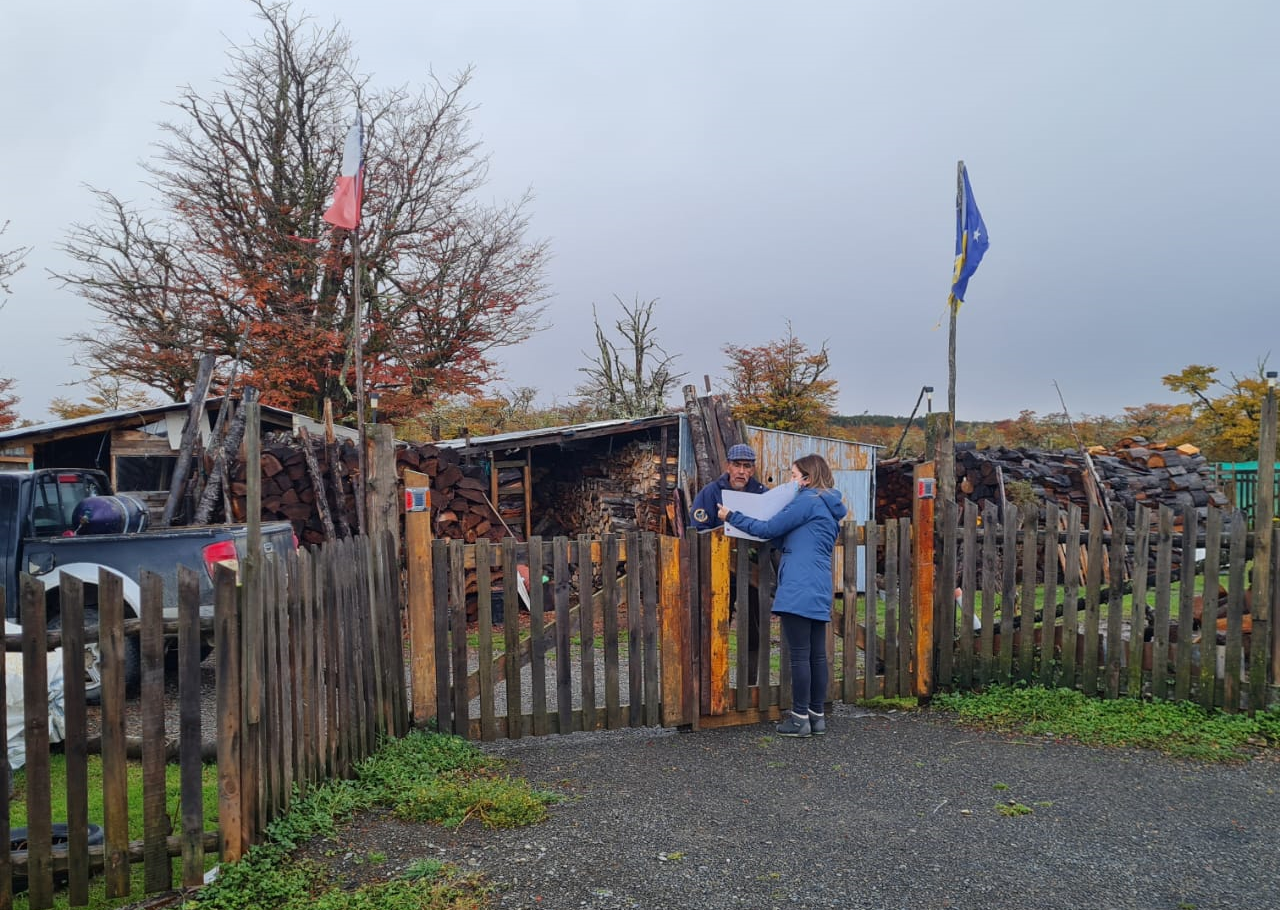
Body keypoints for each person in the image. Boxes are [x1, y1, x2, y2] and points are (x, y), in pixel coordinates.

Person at [717, 453, 846, 738]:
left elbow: (769, 528)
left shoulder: (806, 500)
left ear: (807, 478)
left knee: (800, 656)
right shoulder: (827, 507)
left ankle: (799, 719)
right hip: (819, 585)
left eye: (793, 475)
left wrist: (732, 516)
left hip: (798, 584)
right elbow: (789, 537)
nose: (790, 481)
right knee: (816, 656)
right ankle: (816, 717)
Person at [689, 443, 767, 530]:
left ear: (752, 471)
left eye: (746, 466)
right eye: (736, 465)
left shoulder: (762, 495)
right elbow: (699, 529)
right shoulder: (710, 492)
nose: (741, 471)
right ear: (728, 467)